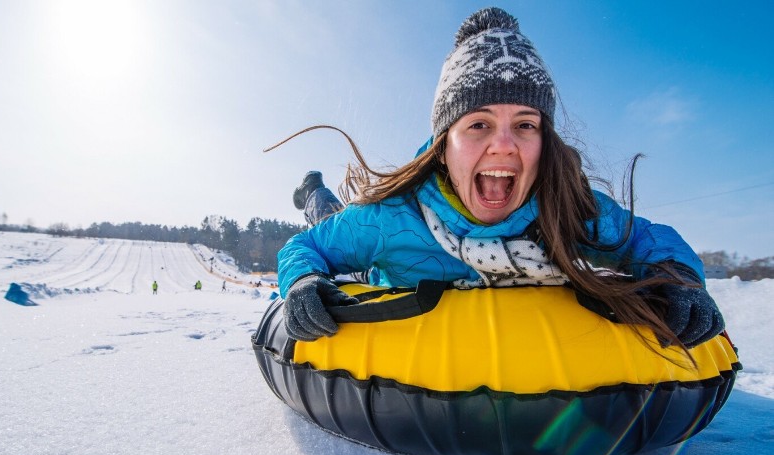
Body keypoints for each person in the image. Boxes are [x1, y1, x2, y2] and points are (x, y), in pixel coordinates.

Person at [276, 7, 724, 349]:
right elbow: (306, 248)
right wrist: (302, 282)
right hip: (369, 255)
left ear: (544, 140)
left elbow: (648, 239)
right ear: (443, 144)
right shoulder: (391, 217)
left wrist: (679, 280)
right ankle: (313, 191)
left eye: (526, 125)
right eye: (478, 124)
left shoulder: (563, 207)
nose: (505, 145)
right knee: (329, 220)